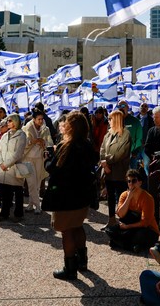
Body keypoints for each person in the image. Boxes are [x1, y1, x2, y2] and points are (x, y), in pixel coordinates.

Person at [41, 111, 99, 280]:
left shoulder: (66, 147)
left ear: (71, 127)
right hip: (82, 195)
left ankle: (70, 268)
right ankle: (82, 261)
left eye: (66, 123)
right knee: (78, 226)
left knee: (67, 231)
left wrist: (48, 157)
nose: (63, 125)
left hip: (66, 196)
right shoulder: (87, 145)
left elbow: (53, 169)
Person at [106, 169, 160, 254]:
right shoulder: (124, 195)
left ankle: (122, 244)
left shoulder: (147, 198)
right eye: (129, 181)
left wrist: (127, 227)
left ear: (140, 182)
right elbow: (121, 214)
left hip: (147, 229)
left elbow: (145, 223)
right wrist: (129, 198)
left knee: (139, 235)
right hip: (132, 226)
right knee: (110, 230)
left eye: (134, 181)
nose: (131, 184)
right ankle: (132, 246)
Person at [99, 110, 131, 227]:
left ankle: (123, 221)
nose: (108, 121)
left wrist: (105, 161)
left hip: (119, 171)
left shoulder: (126, 134)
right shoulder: (108, 134)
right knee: (110, 197)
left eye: (110, 119)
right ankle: (111, 220)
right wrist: (104, 163)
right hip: (108, 171)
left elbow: (120, 154)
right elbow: (102, 149)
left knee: (121, 197)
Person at [0, 113, 27, 222]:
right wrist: (0, 162)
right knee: (5, 192)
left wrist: (6, 164)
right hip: (3, 169)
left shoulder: (21, 135)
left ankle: (18, 214)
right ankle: (4, 214)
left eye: (10, 121)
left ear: (15, 121)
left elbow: (18, 153)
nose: (7, 123)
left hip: (14, 167)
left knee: (17, 192)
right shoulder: (5, 135)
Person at [23, 109, 53, 214]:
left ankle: (31, 204)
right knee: (31, 182)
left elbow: (49, 143)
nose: (41, 121)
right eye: (39, 119)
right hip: (28, 157)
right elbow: (24, 143)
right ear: (34, 119)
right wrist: (36, 140)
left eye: (42, 119)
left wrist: (43, 142)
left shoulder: (46, 129)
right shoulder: (26, 128)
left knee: (38, 181)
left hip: (40, 158)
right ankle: (38, 205)